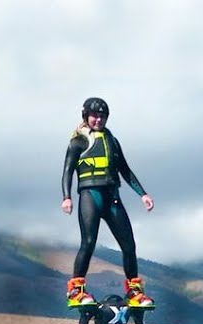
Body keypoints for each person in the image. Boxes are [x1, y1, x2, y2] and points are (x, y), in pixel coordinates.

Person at [60, 97, 155, 309]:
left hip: (112, 196)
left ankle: (134, 292)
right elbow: (67, 171)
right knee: (89, 242)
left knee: (129, 245)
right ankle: (75, 290)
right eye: (94, 115)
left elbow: (125, 169)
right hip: (90, 195)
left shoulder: (111, 140)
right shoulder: (78, 141)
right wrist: (66, 197)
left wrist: (143, 194)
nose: (98, 119)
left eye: (102, 116)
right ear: (85, 115)